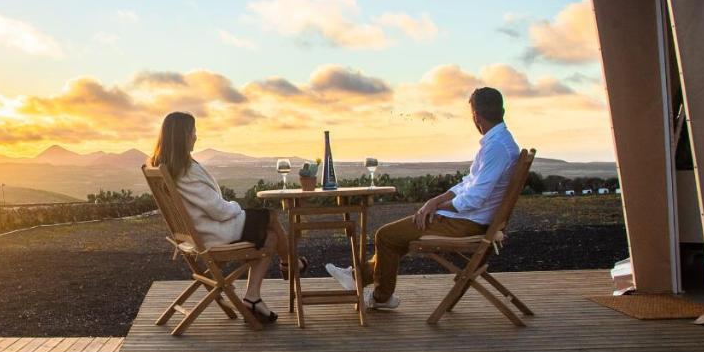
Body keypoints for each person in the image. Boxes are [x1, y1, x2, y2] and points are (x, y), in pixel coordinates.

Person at [326, 87, 520, 310]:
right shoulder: (502, 142)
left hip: (467, 223)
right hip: (471, 218)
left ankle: (380, 296)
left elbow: (472, 199)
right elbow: (468, 183)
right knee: (397, 238)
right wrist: (434, 202)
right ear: (501, 110)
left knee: (386, 236)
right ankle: (356, 277)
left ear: (475, 116)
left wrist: (437, 209)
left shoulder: (496, 148)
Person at [151, 111, 303, 323]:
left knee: (271, 237)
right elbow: (218, 210)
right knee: (269, 216)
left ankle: (253, 297)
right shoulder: (185, 172)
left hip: (202, 231)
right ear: (182, 136)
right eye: (193, 132)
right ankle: (290, 263)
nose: (196, 136)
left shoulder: (167, 167)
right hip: (213, 233)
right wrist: (236, 207)